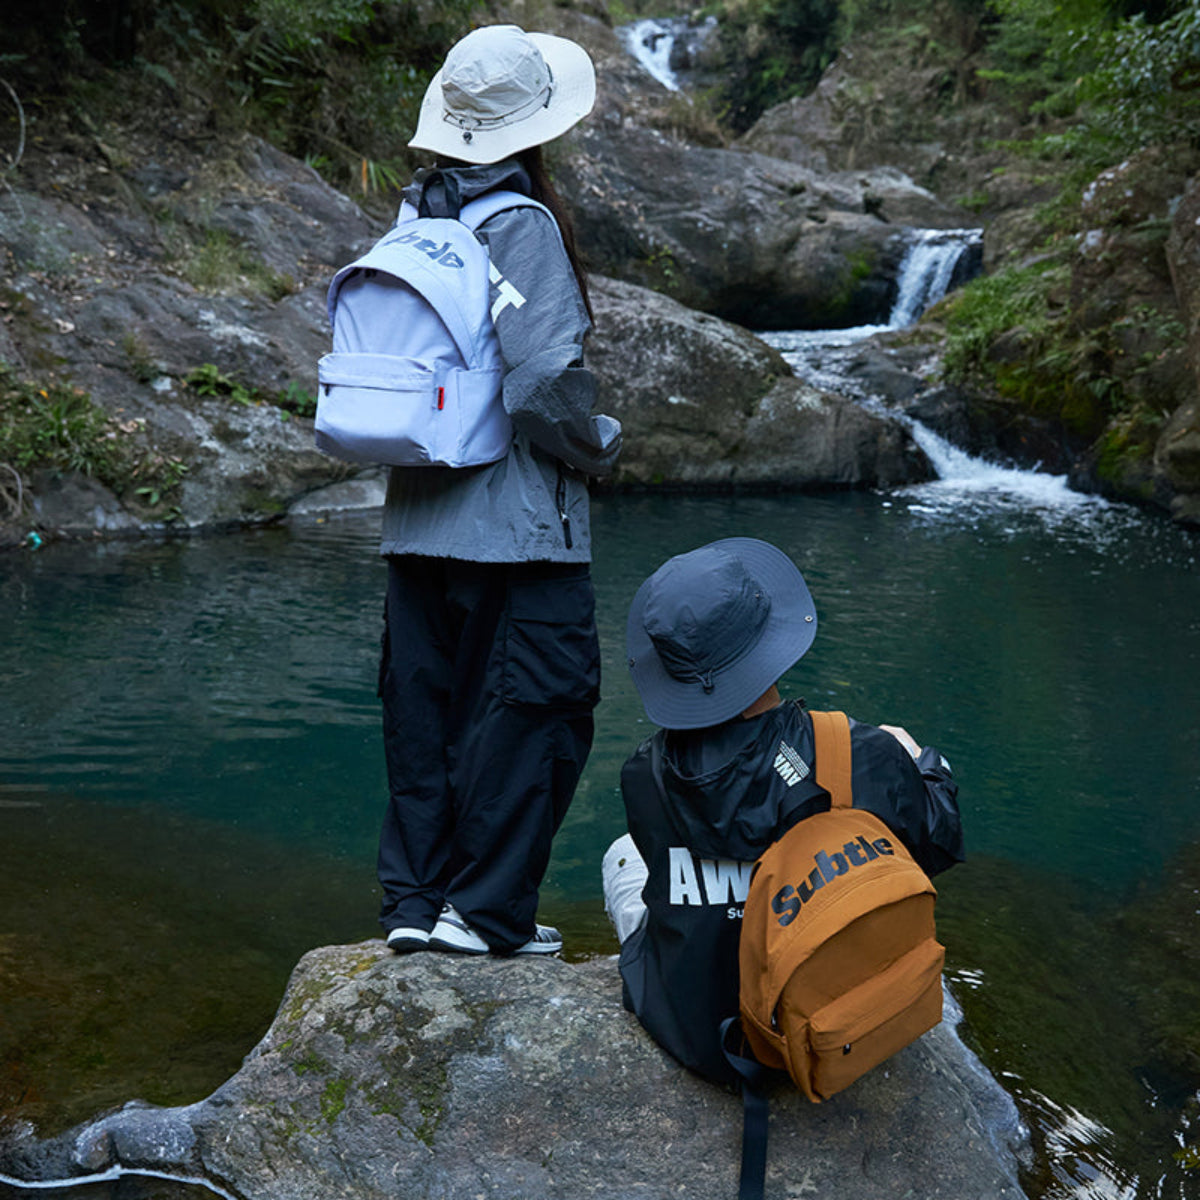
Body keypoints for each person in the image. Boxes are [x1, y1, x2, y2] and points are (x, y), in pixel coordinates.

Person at [377, 25, 621, 957]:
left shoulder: (416, 219)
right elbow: (545, 381)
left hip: (416, 519)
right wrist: (596, 447)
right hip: (517, 528)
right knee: (535, 714)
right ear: (534, 129)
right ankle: (483, 917)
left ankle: (416, 907)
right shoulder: (518, 225)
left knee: (425, 715)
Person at [603, 538, 963, 1083]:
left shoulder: (643, 774)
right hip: (827, 1030)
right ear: (768, 641)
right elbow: (937, 844)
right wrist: (920, 764)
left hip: (697, 1036)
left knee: (623, 855)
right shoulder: (855, 751)